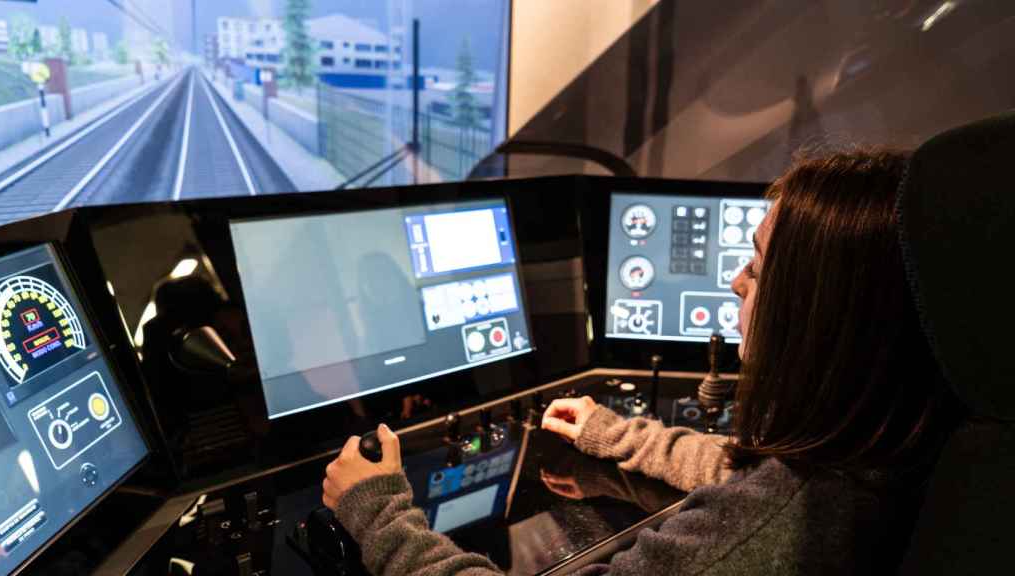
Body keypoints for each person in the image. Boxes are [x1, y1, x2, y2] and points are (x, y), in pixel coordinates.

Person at [321, 149, 959, 575]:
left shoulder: (777, 524)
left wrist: (379, 511)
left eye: (759, 266)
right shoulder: (893, 444)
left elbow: (761, 505)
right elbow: (750, 472)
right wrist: (620, 436)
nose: (737, 282)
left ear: (820, 316)